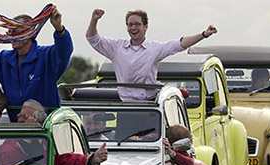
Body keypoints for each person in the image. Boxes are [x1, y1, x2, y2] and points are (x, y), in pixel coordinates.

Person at [86, 8, 217, 101]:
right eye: (130, 25)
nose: (133, 28)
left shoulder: (154, 48)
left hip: (149, 105)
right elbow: (92, 38)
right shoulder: (116, 47)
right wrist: (94, 20)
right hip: (126, 106)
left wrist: (204, 34)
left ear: (145, 27)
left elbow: (180, 44)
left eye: (137, 24)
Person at [0, 5, 73, 122]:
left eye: (16, 32)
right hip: (18, 129)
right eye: (9, 32)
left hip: (45, 130)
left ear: (30, 33)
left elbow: (64, 51)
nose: (11, 36)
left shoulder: (46, 56)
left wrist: (59, 29)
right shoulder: (4, 59)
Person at [0, 100, 108, 165]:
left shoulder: (50, 141)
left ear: (37, 119)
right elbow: (6, 161)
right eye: (19, 116)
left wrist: (92, 160)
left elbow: (67, 160)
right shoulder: (11, 141)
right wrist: (26, 138)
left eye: (24, 117)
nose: (20, 120)